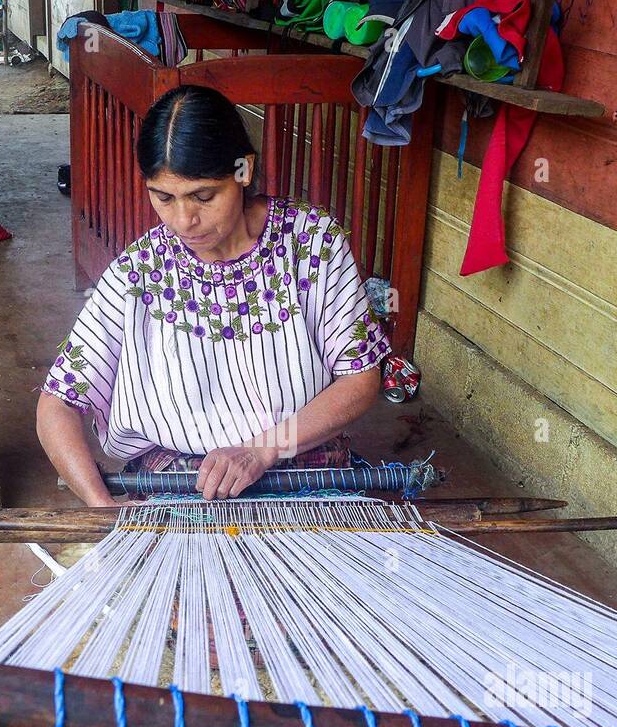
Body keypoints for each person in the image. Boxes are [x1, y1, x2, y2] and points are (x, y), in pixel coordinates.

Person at [38, 85, 391, 505]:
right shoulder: (139, 274)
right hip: (181, 489)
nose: (185, 220)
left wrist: (262, 451)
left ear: (243, 171)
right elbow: (56, 405)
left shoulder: (312, 244)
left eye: (203, 196)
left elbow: (361, 377)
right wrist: (103, 509)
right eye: (163, 198)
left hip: (303, 474)